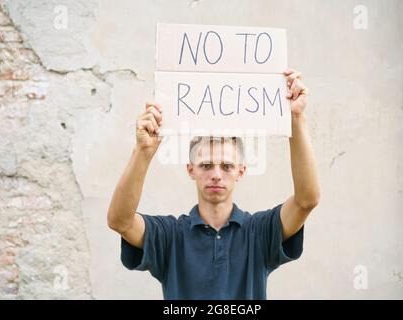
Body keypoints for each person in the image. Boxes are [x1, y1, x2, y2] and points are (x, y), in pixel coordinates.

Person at [107, 69, 320, 299]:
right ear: (191, 170)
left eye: (226, 166)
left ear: (241, 171)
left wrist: (297, 119)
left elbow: (306, 201)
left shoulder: (259, 232)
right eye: (206, 165)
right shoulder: (170, 236)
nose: (217, 174)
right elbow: (120, 220)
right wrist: (143, 152)